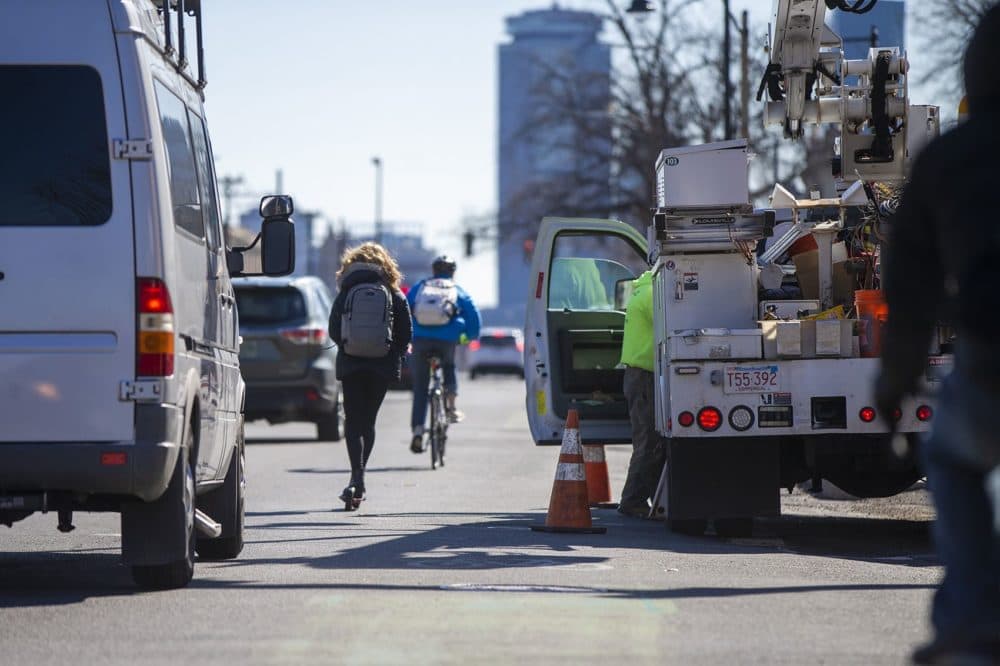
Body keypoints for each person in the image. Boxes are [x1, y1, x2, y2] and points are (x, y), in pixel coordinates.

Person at [874, 7, 1000, 663]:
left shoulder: (949, 160)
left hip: (988, 362)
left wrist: (893, 389)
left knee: (954, 462)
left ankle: (974, 619)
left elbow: (910, 299)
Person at [328, 242, 412, 508]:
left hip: (351, 364)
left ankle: (357, 478)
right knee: (369, 422)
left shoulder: (347, 290)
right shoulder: (392, 291)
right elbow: (406, 333)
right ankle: (359, 479)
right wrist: (391, 352)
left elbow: (333, 329)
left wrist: (348, 345)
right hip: (381, 365)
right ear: (386, 264)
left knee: (353, 422)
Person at [407, 255, 481, 453]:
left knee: (421, 388)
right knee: (449, 364)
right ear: (452, 272)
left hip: (420, 338)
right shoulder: (455, 290)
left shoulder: (420, 287)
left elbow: (405, 308)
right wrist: (468, 336)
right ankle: (451, 406)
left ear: (433, 271)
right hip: (447, 338)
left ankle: (417, 430)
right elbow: (473, 315)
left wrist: (408, 335)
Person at [617, 268, 664, 518]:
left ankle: (652, 497)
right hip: (644, 375)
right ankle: (632, 500)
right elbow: (671, 325)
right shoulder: (651, 296)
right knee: (648, 442)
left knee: (650, 442)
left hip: (640, 375)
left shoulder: (642, 291)